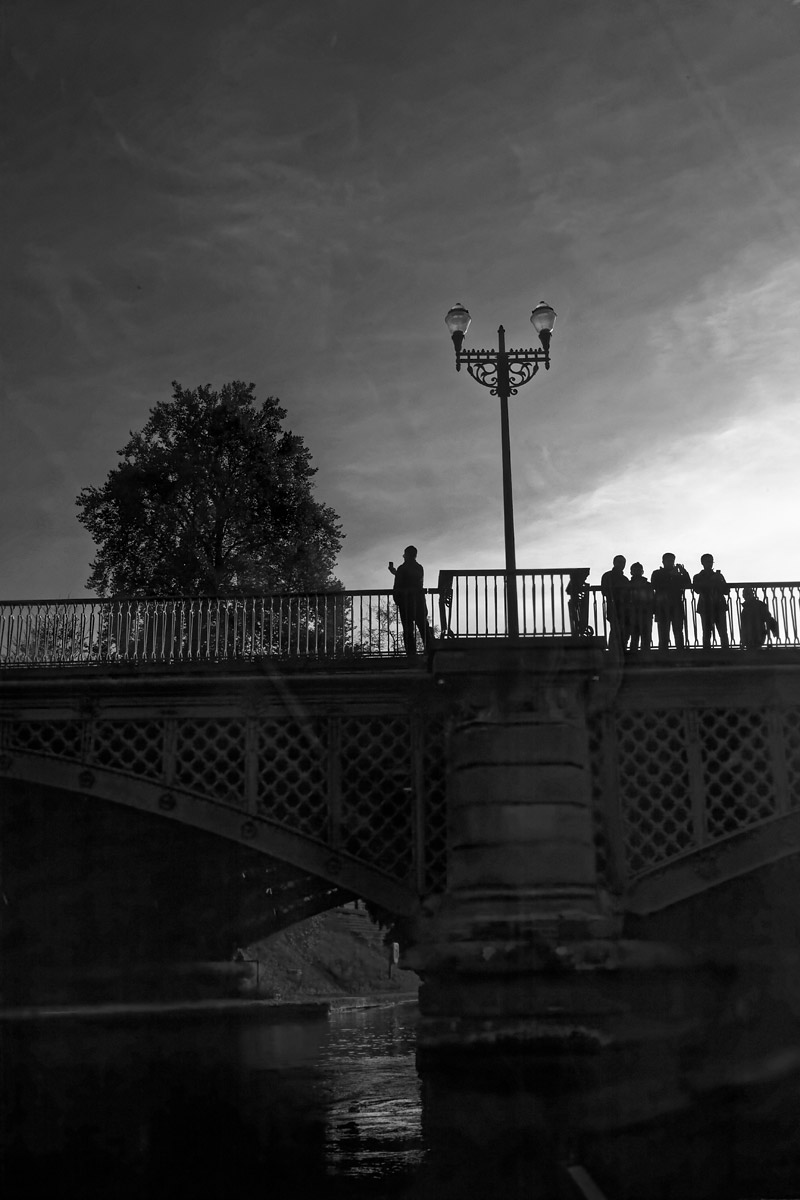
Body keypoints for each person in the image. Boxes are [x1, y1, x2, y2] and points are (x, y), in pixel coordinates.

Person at [388, 546, 433, 657]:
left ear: (406, 555)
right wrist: (396, 573)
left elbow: (400, 584)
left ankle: (411, 655)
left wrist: (397, 600)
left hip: (406, 603)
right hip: (419, 602)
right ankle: (430, 652)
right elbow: (412, 580)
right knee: (423, 628)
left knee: (408, 630)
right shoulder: (419, 567)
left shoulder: (403, 568)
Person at [651, 553, 691, 650]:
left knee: (678, 631)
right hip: (662, 606)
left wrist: (684, 572)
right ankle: (663, 654)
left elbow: (688, 584)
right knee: (663, 632)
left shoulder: (678, 575)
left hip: (676, 605)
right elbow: (655, 584)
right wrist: (670, 575)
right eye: (668, 561)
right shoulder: (657, 573)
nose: (670, 563)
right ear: (663, 562)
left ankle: (680, 652)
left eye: (672, 561)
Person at [692, 554, 730, 649]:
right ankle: (707, 653)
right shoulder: (698, 576)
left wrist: (720, 581)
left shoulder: (718, 576)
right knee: (707, 632)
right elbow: (697, 590)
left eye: (711, 561)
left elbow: (726, 591)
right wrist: (711, 581)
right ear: (702, 563)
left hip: (718, 605)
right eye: (707, 562)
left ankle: (726, 652)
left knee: (723, 632)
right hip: (705, 606)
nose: (710, 564)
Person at [600, 555, 630, 651]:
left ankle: (622, 649)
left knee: (623, 631)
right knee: (615, 630)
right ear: (614, 563)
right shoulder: (607, 576)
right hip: (613, 607)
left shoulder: (624, 579)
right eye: (619, 562)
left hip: (624, 609)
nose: (621, 564)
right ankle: (613, 651)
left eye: (623, 562)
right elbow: (604, 591)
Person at [626, 562, 654, 651]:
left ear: (642, 571)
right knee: (635, 636)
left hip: (644, 613)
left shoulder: (647, 585)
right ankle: (638, 656)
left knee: (644, 637)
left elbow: (652, 599)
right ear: (631, 572)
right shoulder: (627, 585)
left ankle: (643, 656)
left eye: (638, 570)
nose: (637, 572)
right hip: (633, 613)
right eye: (635, 570)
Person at [566, 569, 591, 636]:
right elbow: (569, 591)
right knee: (576, 616)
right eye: (584, 577)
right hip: (575, 602)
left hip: (578, 601)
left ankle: (580, 628)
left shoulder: (576, 583)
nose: (585, 579)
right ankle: (578, 629)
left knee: (580, 616)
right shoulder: (574, 584)